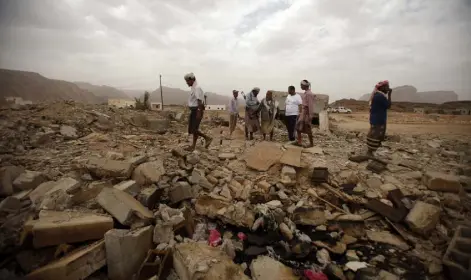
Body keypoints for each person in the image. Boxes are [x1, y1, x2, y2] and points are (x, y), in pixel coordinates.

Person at [184, 72, 212, 151]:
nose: (186, 83)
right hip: (194, 110)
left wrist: (199, 112)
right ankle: (193, 146)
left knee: (193, 129)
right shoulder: (193, 87)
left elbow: (199, 101)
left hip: (197, 110)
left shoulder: (197, 88)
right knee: (193, 129)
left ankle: (207, 138)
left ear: (192, 80)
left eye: (187, 81)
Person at [366, 80, 392, 156]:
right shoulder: (380, 96)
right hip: (379, 119)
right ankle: (370, 152)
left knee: (374, 134)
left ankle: (371, 150)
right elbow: (388, 106)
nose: (388, 88)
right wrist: (390, 94)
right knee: (376, 135)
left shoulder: (377, 95)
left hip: (376, 119)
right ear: (382, 87)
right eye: (387, 87)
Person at [295, 80, 315, 148]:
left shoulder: (309, 94)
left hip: (306, 114)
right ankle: (299, 142)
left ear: (305, 85)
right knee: (298, 128)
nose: (300, 86)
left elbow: (310, 106)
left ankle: (311, 144)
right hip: (303, 113)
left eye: (301, 85)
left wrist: (310, 116)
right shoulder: (306, 93)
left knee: (308, 129)